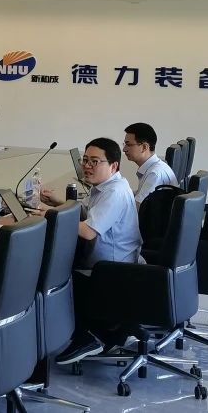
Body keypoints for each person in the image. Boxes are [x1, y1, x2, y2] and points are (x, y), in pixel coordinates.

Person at [40, 138, 142, 364]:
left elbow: (87, 231)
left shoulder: (114, 192)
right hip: (109, 261)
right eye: (85, 160)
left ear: (113, 165)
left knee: (51, 277)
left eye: (95, 161)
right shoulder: (106, 186)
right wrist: (56, 203)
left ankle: (88, 337)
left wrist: (49, 215)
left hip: (111, 270)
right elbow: (86, 211)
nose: (87, 166)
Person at [123, 122, 179, 207]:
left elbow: (138, 208)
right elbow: (140, 195)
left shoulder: (154, 174)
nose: (124, 149)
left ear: (144, 147)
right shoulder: (154, 167)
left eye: (128, 144)